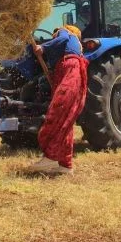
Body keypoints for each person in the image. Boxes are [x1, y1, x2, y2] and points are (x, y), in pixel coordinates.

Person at [28, 25, 89, 175]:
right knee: (66, 119)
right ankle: (66, 165)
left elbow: (62, 39)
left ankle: (51, 156)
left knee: (58, 112)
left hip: (69, 68)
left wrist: (43, 47)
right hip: (69, 70)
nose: (55, 35)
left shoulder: (64, 32)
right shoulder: (76, 45)